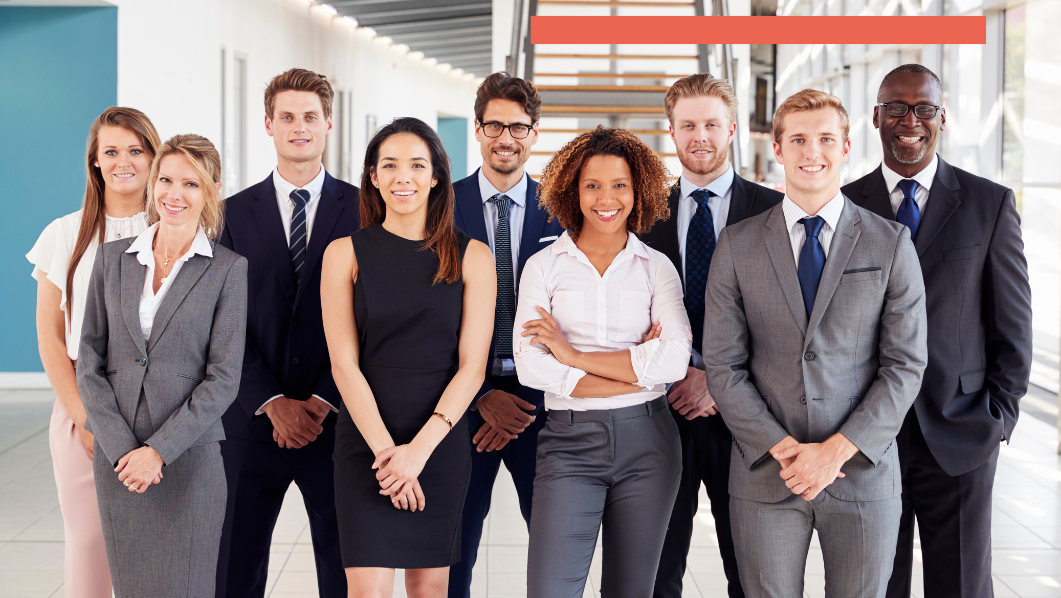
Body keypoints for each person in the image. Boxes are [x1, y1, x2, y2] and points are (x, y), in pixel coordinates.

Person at [704, 89, 928, 598]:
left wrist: (834, 454)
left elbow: (905, 364)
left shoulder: (890, 243)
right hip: (767, 474)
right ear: (777, 149)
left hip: (862, 473)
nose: (812, 152)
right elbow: (723, 365)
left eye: (826, 139)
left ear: (847, 147)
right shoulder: (737, 244)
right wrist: (786, 451)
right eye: (799, 139)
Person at [842, 64, 1032, 598]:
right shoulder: (845, 206)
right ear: (876, 116)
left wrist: (1000, 417)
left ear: (941, 118)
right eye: (897, 108)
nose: (911, 121)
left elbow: (1012, 322)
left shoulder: (988, 204)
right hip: (868, 435)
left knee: (964, 585)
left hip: (962, 429)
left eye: (924, 108)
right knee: (877, 583)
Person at [322, 117, 496, 598]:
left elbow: (472, 368)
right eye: (390, 165)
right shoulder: (344, 254)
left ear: (437, 175)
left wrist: (416, 454)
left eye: (417, 165)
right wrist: (388, 457)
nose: (404, 177)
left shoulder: (472, 256)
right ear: (372, 177)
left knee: (429, 591)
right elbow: (343, 365)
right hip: (366, 444)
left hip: (438, 443)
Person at [515, 126, 692, 598]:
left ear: (639, 192)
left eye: (619, 185)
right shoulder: (544, 266)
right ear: (573, 190)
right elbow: (532, 367)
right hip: (568, 445)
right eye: (592, 185)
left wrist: (571, 356)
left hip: (649, 445)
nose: (606, 198)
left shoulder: (657, 267)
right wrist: (638, 369)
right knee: (551, 590)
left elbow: (673, 360)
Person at [77, 133, 248, 597]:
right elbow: (89, 358)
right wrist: (121, 448)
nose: (175, 194)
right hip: (120, 462)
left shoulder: (228, 270)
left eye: (191, 184)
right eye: (167, 180)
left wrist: (157, 451)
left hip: (188, 462)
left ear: (210, 190)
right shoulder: (113, 259)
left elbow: (223, 378)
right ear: (153, 184)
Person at [216, 68, 359, 598]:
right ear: (269, 125)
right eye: (287, 117)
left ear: (327, 123)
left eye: (309, 117)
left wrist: (321, 399)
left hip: (339, 423)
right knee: (234, 569)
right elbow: (222, 320)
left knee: (343, 571)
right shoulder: (229, 214)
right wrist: (272, 400)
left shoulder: (367, 208)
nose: (299, 127)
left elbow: (372, 319)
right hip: (251, 424)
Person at [640, 73, 783, 598]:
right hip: (662, 416)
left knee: (752, 575)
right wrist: (681, 374)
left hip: (747, 423)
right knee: (657, 574)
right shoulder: (642, 212)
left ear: (732, 130)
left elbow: (786, 323)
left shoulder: (775, 211)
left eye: (711, 124)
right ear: (672, 133)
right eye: (687, 125)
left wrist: (718, 385)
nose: (700, 136)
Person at [26, 106, 161, 598]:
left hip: (160, 406)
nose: (123, 161)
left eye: (135, 150)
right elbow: (48, 338)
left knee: (155, 548)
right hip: (84, 402)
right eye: (111, 151)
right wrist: (86, 418)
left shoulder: (177, 231)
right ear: (95, 161)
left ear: (153, 157)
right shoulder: (63, 234)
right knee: (89, 545)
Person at [448, 71, 564, 598]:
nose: (506, 138)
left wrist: (523, 401)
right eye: (495, 125)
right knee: (453, 558)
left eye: (519, 127)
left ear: (534, 134)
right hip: (459, 408)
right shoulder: (439, 208)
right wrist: (480, 398)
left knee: (556, 556)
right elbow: (427, 319)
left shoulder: (563, 211)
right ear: (477, 129)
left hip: (541, 410)